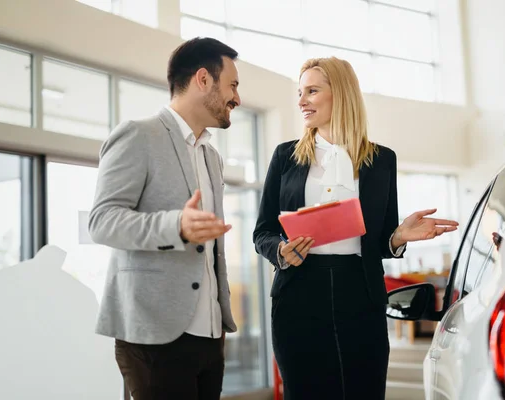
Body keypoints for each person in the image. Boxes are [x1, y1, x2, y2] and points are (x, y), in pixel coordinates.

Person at [253, 57, 458, 400]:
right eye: (299, 92)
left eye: (312, 91)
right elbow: (262, 231)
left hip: (359, 292)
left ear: (342, 94)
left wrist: (398, 237)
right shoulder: (285, 156)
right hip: (298, 290)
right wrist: (280, 249)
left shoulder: (381, 160)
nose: (302, 101)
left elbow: (380, 241)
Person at [88, 37, 241, 400]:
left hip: (209, 334)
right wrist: (176, 226)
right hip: (154, 335)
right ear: (203, 79)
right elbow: (103, 221)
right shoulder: (138, 135)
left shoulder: (211, 156)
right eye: (232, 85)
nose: (238, 98)